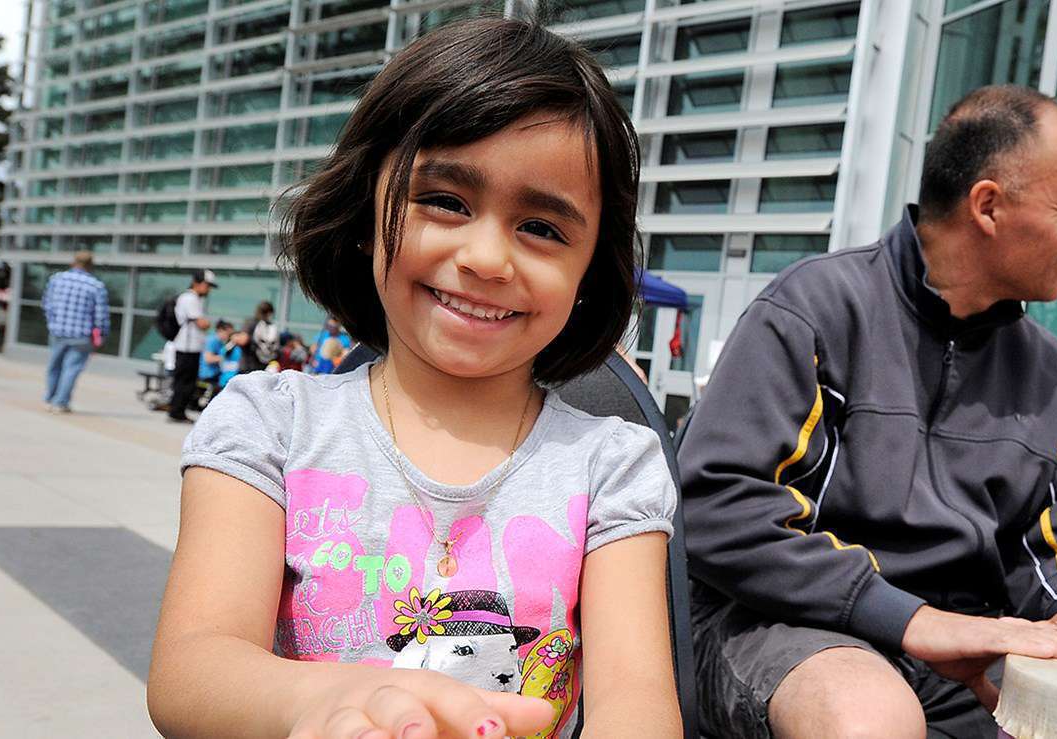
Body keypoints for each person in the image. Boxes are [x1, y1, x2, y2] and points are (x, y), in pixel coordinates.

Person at [147, 17, 680, 739]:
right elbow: (191, 671)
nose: (487, 257)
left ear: (590, 272)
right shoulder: (268, 423)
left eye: (543, 228)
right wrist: (329, 700)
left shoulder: (614, 466)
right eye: (446, 201)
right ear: (366, 208)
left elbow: (637, 705)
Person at [677, 85, 1057, 739]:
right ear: (988, 206)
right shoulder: (815, 310)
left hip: (957, 650)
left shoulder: (1049, 371)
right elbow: (717, 506)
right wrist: (905, 618)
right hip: (778, 624)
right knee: (870, 717)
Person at [39, 250, 110, 413]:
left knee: (54, 366)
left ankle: (50, 398)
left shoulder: (57, 279)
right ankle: (60, 402)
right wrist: (102, 335)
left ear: (74, 262)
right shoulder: (96, 285)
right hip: (82, 336)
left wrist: (52, 323)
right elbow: (101, 316)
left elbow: (47, 305)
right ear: (91, 265)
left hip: (58, 331)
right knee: (71, 369)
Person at [167, 269, 216, 422]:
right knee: (185, 382)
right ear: (197, 282)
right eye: (207, 285)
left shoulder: (191, 298)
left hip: (189, 347)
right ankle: (177, 412)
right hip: (187, 347)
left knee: (184, 381)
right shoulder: (190, 298)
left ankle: (177, 410)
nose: (208, 289)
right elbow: (201, 323)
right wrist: (207, 324)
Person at [240, 301, 280, 374]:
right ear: (270, 313)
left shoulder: (250, 322)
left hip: (248, 365)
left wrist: (233, 337)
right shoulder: (271, 326)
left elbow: (243, 340)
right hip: (264, 366)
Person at [200, 320, 234, 394]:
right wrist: (227, 358)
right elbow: (208, 359)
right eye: (229, 334)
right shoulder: (212, 340)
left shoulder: (220, 342)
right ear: (220, 330)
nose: (230, 336)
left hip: (215, 374)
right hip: (208, 376)